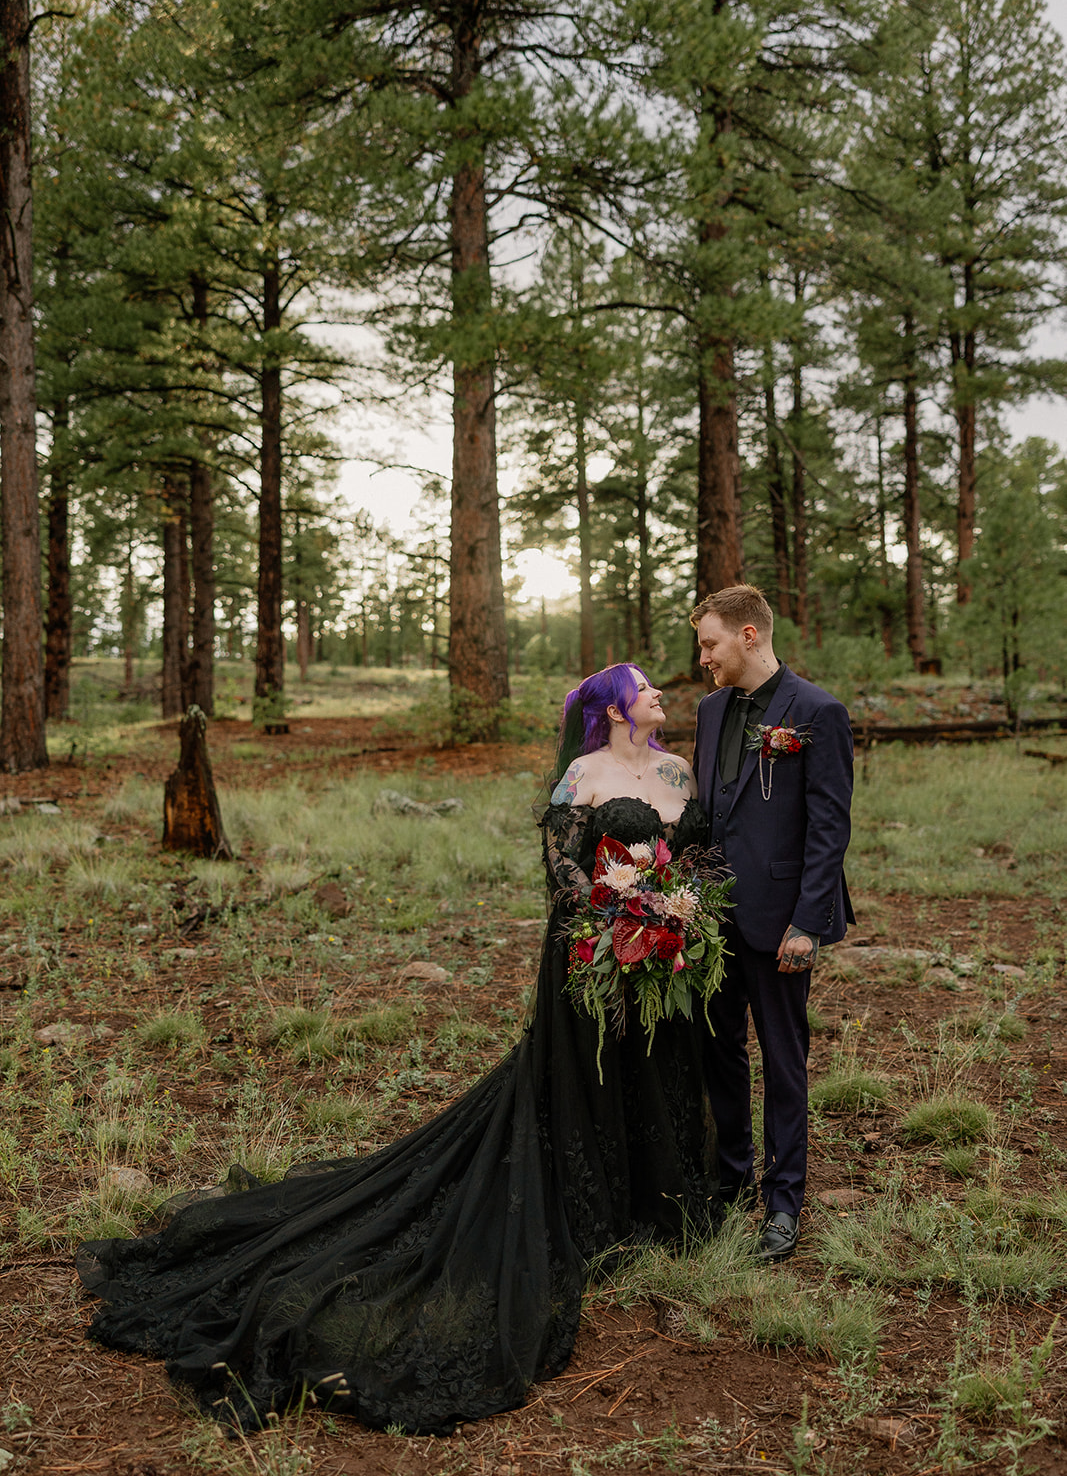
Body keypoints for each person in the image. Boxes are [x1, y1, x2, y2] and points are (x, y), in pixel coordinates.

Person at [77, 664, 719, 1435]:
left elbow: (691, 856)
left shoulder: (679, 768)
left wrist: (676, 914)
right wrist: (619, 913)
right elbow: (557, 870)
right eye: (644, 687)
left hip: (667, 954)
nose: (658, 695)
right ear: (614, 706)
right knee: (588, 1070)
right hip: (592, 951)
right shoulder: (581, 775)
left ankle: (657, 1202)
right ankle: (590, 1205)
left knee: (657, 1069)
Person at [691, 585, 854, 1262]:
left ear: (749, 636)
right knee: (718, 1056)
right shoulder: (708, 712)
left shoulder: (816, 711)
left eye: (710, 643)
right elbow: (705, 814)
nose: (703, 658)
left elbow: (828, 827)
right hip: (709, 923)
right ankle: (731, 1185)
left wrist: (807, 925)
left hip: (780, 923)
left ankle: (782, 1204)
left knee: (784, 1064)